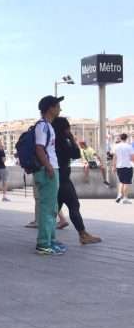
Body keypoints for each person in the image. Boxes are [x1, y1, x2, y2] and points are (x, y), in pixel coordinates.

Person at [52, 117, 102, 245]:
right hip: (63, 179)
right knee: (74, 206)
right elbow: (76, 154)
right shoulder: (62, 141)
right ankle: (83, 235)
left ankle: (47, 237)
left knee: (52, 210)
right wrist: (72, 139)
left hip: (53, 178)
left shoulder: (51, 140)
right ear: (65, 129)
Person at [33, 96, 67, 255]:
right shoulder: (42, 127)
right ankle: (43, 244)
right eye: (58, 106)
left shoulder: (48, 126)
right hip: (48, 170)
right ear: (50, 108)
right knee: (47, 208)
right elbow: (39, 148)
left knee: (52, 207)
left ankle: (51, 240)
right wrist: (49, 167)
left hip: (52, 168)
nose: (60, 109)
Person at [113, 133, 134, 204]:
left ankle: (119, 195)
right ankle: (125, 198)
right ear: (126, 138)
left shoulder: (116, 146)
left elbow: (115, 157)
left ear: (120, 138)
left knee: (121, 182)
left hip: (119, 166)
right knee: (126, 183)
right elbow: (132, 158)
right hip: (128, 166)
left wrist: (114, 166)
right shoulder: (129, 146)